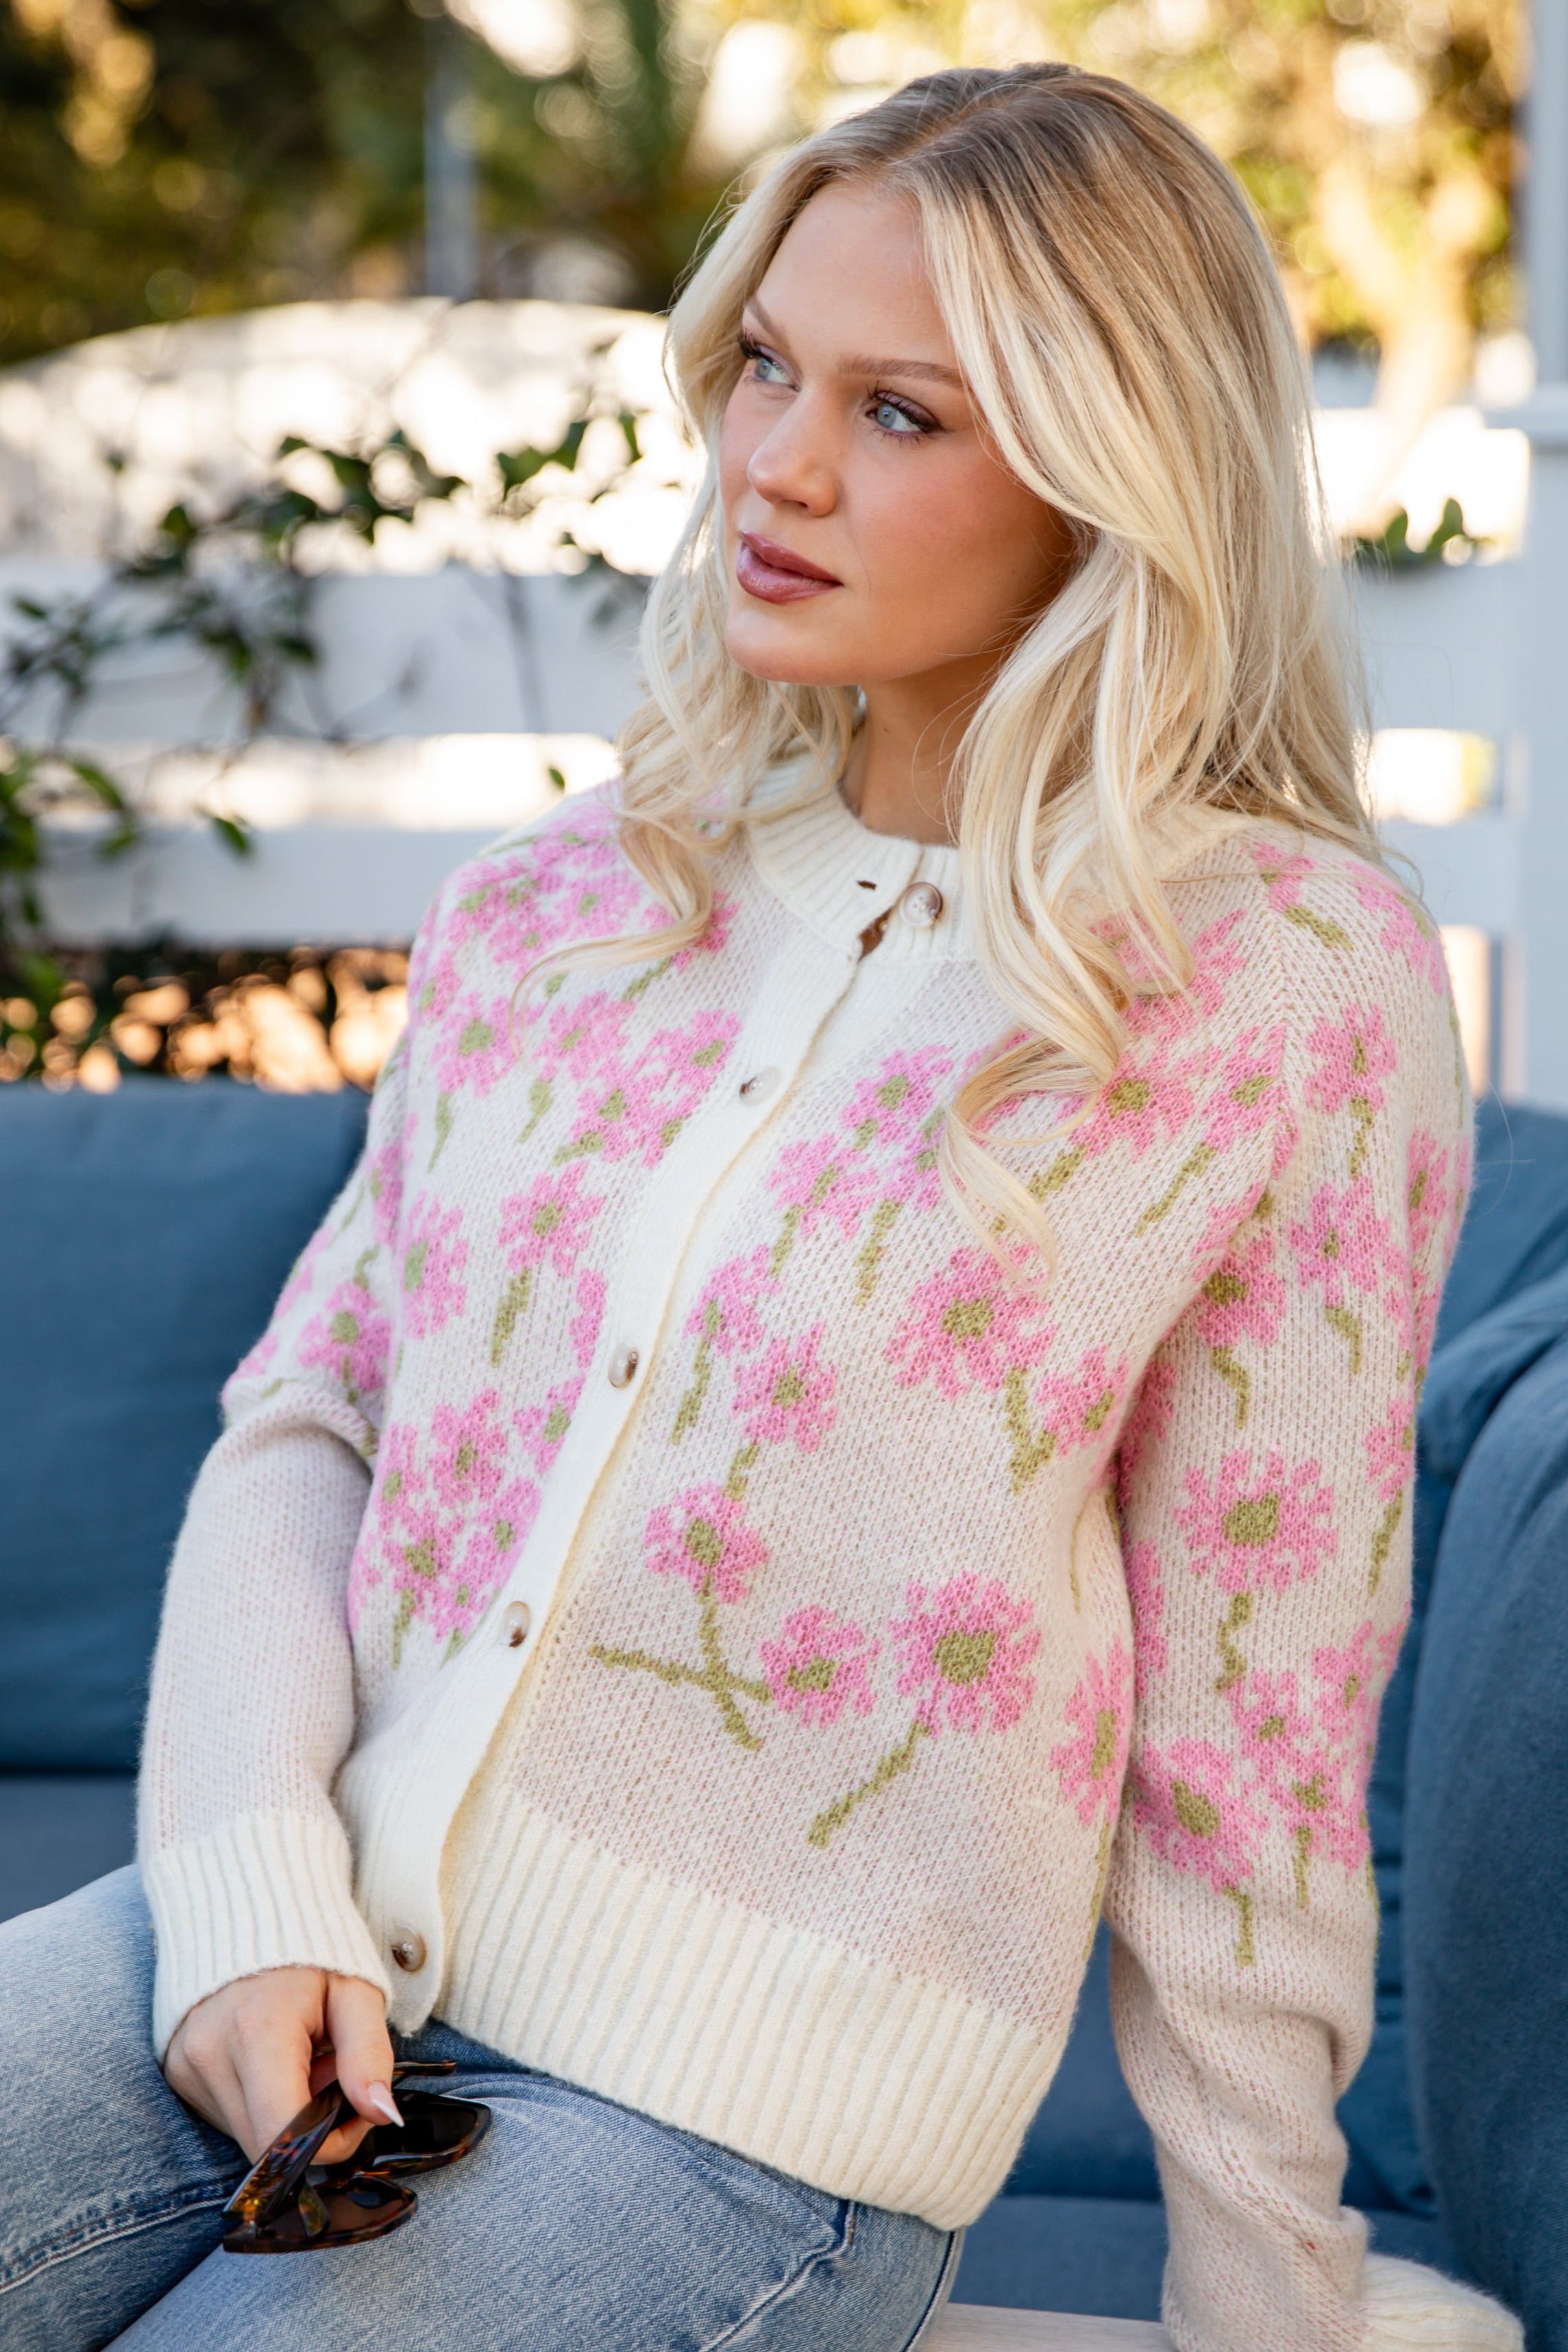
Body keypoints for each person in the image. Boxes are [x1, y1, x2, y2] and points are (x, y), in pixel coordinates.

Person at [0, 61, 1498, 2352]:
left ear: (1113, 474)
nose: (774, 463)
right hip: (257, 1957)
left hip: (727, 2138)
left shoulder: (1283, 987)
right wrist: (240, 1884)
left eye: (904, 412)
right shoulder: (573, 902)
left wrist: (1267, 2303)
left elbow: (1253, 1731)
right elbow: (309, 1424)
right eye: (770, 366)